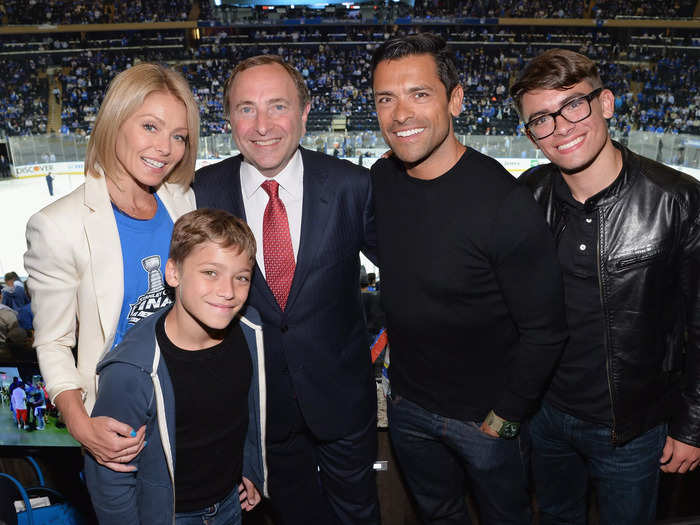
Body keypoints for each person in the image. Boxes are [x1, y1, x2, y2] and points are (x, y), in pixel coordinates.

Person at [370, 33, 567, 524]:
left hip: (484, 421)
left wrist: (503, 419)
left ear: (455, 100)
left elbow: (546, 330)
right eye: (385, 99)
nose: (400, 114)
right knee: (438, 516)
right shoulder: (381, 180)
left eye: (419, 94)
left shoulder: (504, 203)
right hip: (409, 409)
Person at [512, 48, 700, 525]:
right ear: (532, 135)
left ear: (607, 103)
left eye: (573, 105)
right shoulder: (527, 195)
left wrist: (693, 425)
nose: (561, 128)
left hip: (633, 427)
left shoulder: (677, 200)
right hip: (545, 417)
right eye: (541, 120)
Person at [193, 54, 379, 525]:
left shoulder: (352, 186)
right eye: (245, 108)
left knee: (359, 515)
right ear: (228, 116)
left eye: (278, 106)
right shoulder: (199, 193)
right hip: (254, 411)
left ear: (305, 111)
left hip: (342, 403)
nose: (262, 125)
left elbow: (411, 272)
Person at [24, 63, 199, 472]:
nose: (166, 148)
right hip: (120, 421)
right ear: (115, 121)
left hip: (190, 402)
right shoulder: (58, 226)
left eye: (178, 136)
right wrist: (81, 425)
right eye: (150, 127)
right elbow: (52, 342)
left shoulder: (182, 201)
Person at [85, 209, 266, 525]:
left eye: (241, 277)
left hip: (230, 504)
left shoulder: (250, 332)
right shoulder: (132, 370)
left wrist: (252, 468)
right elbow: (109, 479)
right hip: (169, 516)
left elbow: (249, 413)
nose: (228, 291)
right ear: (173, 273)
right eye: (210, 272)